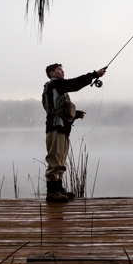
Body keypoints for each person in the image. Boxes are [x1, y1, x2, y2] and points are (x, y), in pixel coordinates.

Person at [42, 63, 107, 203]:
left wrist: (76, 114)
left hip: (63, 127)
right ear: (52, 73)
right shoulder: (55, 85)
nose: (62, 72)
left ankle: (58, 188)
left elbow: (60, 108)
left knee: (61, 159)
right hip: (55, 126)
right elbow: (75, 83)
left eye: (62, 70)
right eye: (59, 70)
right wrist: (94, 74)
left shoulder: (58, 87)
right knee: (55, 159)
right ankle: (52, 192)